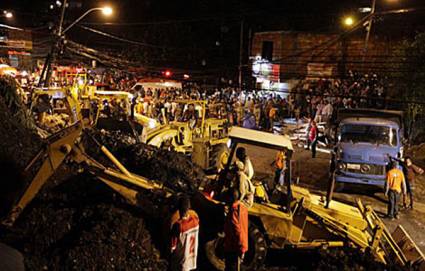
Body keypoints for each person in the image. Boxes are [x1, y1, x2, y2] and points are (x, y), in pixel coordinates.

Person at [170, 197, 200, 271]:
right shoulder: (196, 220)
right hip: (192, 260)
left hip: (181, 262)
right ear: (189, 208)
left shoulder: (178, 226)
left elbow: (172, 247)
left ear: (178, 209)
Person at [224, 189, 249, 271]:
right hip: (240, 245)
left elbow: (237, 230)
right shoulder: (243, 208)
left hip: (233, 247)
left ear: (231, 198)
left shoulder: (234, 211)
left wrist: (241, 248)